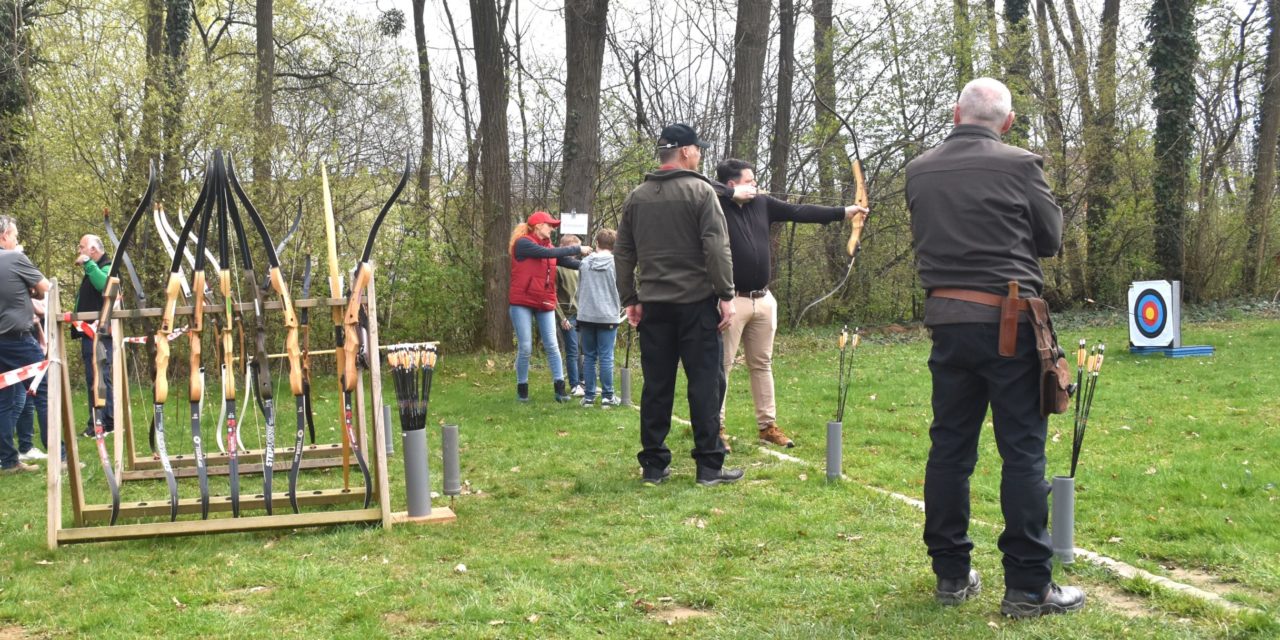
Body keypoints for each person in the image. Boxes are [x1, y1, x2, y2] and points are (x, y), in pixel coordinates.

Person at [905, 77, 1083, 618]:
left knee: (950, 449)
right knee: (1023, 452)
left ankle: (951, 574)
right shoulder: (1021, 164)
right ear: (1005, 123)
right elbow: (1049, 242)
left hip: (948, 322)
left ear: (957, 113)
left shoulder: (918, 169)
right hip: (1008, 321)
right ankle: (1029, 587)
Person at [711, 158, 868, 451]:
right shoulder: (715, 203)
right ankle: (715, 428)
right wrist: (730, 195)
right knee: (722, 366)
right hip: (730, 300)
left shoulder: (763, 204)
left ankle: (767, 426)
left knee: (762, 364)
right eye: (750, 180)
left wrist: (845, 212)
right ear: (732, 184)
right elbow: (699, 186)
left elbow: (800, 211)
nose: (755, 185)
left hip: (763, 299)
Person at [615, 122, 741, 487]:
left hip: (654, 304)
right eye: (697, 149)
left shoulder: (637, 196)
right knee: (705, 383)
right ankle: (708, 467)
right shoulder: (702, 192)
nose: (700, 155)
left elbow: (623, 252)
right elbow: (717, 247)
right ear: (686, 152)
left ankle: (654, 466)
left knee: (656, 385)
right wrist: (726, 295)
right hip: (696, 303)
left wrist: (630, 298)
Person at [509, 211, 591, 402]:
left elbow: (565, 261)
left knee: (553, 346)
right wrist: (578, 248)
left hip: (544, 300)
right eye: (550, 225)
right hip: (522, 301)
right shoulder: (524, 243)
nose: (553, 229)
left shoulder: (550, 247)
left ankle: (560, 391)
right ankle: (522, 390)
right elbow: (548, 253)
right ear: (538, 226)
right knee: (526, 347)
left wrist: (592, 264)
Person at [0, 216, 52, 474]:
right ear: (3, 237)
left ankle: (8, 461)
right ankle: (60, 456)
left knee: (4, 400)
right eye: (15, 236)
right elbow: (45, 287)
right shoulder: (14, 258)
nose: (17, 241)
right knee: (45, 390)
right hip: (17, 339)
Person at [74, 234, 115, 438]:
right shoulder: (96, 266)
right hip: (90, 333)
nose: (79, 250)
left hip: (100, 333)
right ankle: (99, 421)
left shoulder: (107, 266)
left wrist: (89, 264)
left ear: (92, 250)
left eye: (82, 247)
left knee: (100, 376)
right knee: (94, 376)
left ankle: (105, 422)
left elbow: (104, 285)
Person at [576, 228, 622, 408]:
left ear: (596, 244)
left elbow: (580, 288)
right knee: (606, 356)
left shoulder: (585, 263)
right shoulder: (616, 263)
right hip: (608, 315)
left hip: (586, 314)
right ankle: (607, 396)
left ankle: (589, 397)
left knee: (589, 356)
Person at [554, 234, 586, 396]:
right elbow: (552, 295)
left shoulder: (578, 266)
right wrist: (562, 318)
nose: (577, 253)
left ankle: (583, 381)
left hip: (581, 314)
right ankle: (574, 385)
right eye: (576, 248)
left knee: (583, 349)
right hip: (568, 316)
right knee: (572, 350)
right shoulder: (557, 267)